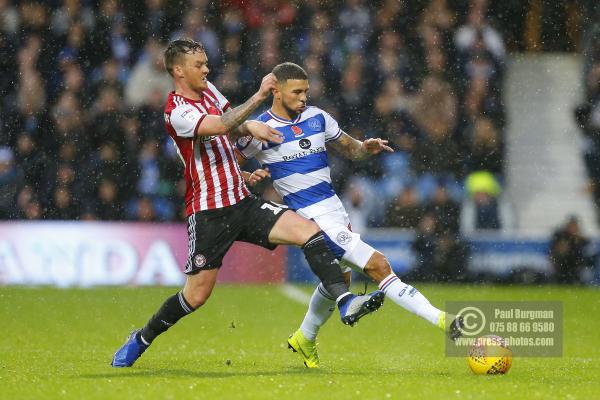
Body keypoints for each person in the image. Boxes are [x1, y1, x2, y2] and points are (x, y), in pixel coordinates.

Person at [111, 39, 384, 368]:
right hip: (209, 212)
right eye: (198, 65)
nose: (206, 69)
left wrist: (242, 152)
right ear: (178, 71)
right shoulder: (177, 112)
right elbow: (219, 126)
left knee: (310, 232)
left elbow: (230, 123)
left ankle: (344, 301)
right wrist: (258, 98)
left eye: (206, 63)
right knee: (195, 296)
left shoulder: (209, 90)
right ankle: (142, 338)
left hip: (243, 202)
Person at [236, 62, 464, 368]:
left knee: (340, 278)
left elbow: (349, 148)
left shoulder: (318, 118)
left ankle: (304, 337)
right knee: (379, 265)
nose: (304, 97)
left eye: (306, 90)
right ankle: (444, 321)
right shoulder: (260, 129)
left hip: (335, 210)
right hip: (309, 219)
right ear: (276, 91)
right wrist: (246, 176)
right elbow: (226, 164)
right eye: (297, 92)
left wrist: (364, 147)